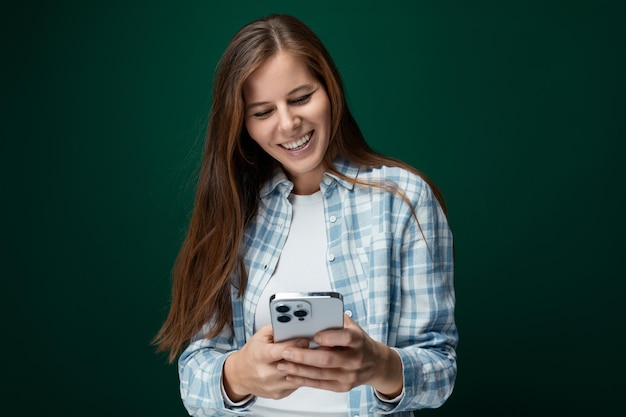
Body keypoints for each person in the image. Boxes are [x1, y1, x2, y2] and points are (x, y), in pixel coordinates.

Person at [154, 13, 457, 417]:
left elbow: (441, 369)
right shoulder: (234, 209)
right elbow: (192, 380)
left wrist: (379, 365)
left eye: (300, 98)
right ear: (241, 124)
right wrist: (239, 374)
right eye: (262, 112)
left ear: (329, 90)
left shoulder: (403, 199)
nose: (288, 123)